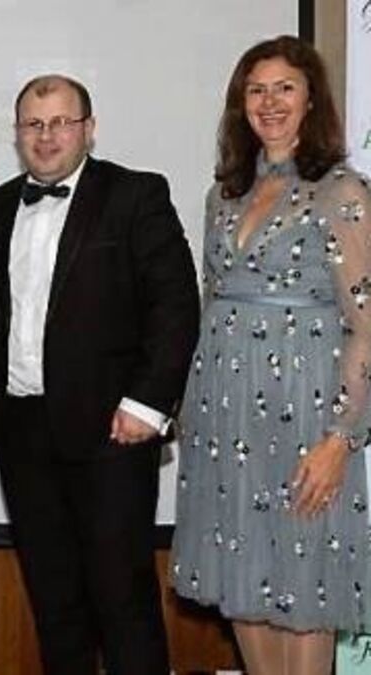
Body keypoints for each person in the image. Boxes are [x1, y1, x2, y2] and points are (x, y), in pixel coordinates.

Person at [0, 74, 199, 674]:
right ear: (17, 133)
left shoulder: (135, 195)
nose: (46, 136)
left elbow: (176, 305)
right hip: (22, 432)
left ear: (89, 129)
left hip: (111, 431)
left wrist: (147, 405)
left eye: (61, 122)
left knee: (123, 600)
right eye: (33, 124)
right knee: (55, 606)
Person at [171, 35, 371, 675]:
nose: (270, 102)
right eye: (256, 90)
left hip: (307, 416)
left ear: (312, 99)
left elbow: (367, 325)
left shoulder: (342, 192)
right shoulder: (224, 194)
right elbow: (211, 303)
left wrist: (341, 438)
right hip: (225, 418)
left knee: (304, 585)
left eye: (285, 87)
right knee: (244, 580)